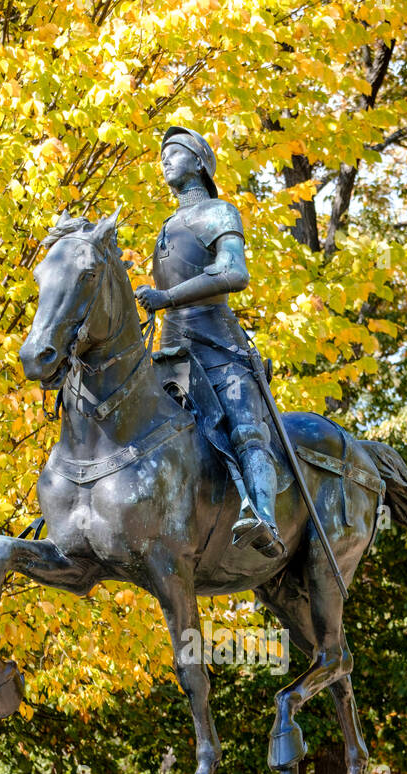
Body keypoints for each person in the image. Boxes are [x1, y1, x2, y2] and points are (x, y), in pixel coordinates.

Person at [135, 127, 285, 559]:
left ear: (199, 162)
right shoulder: (166, 225)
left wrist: (166, 298)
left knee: (246, 432)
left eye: (175, 153)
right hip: (171, 353)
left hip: (218, 348)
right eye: (161, 154)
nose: (164, 160)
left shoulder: (219, 212)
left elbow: (234, 273)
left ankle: (265, 521)